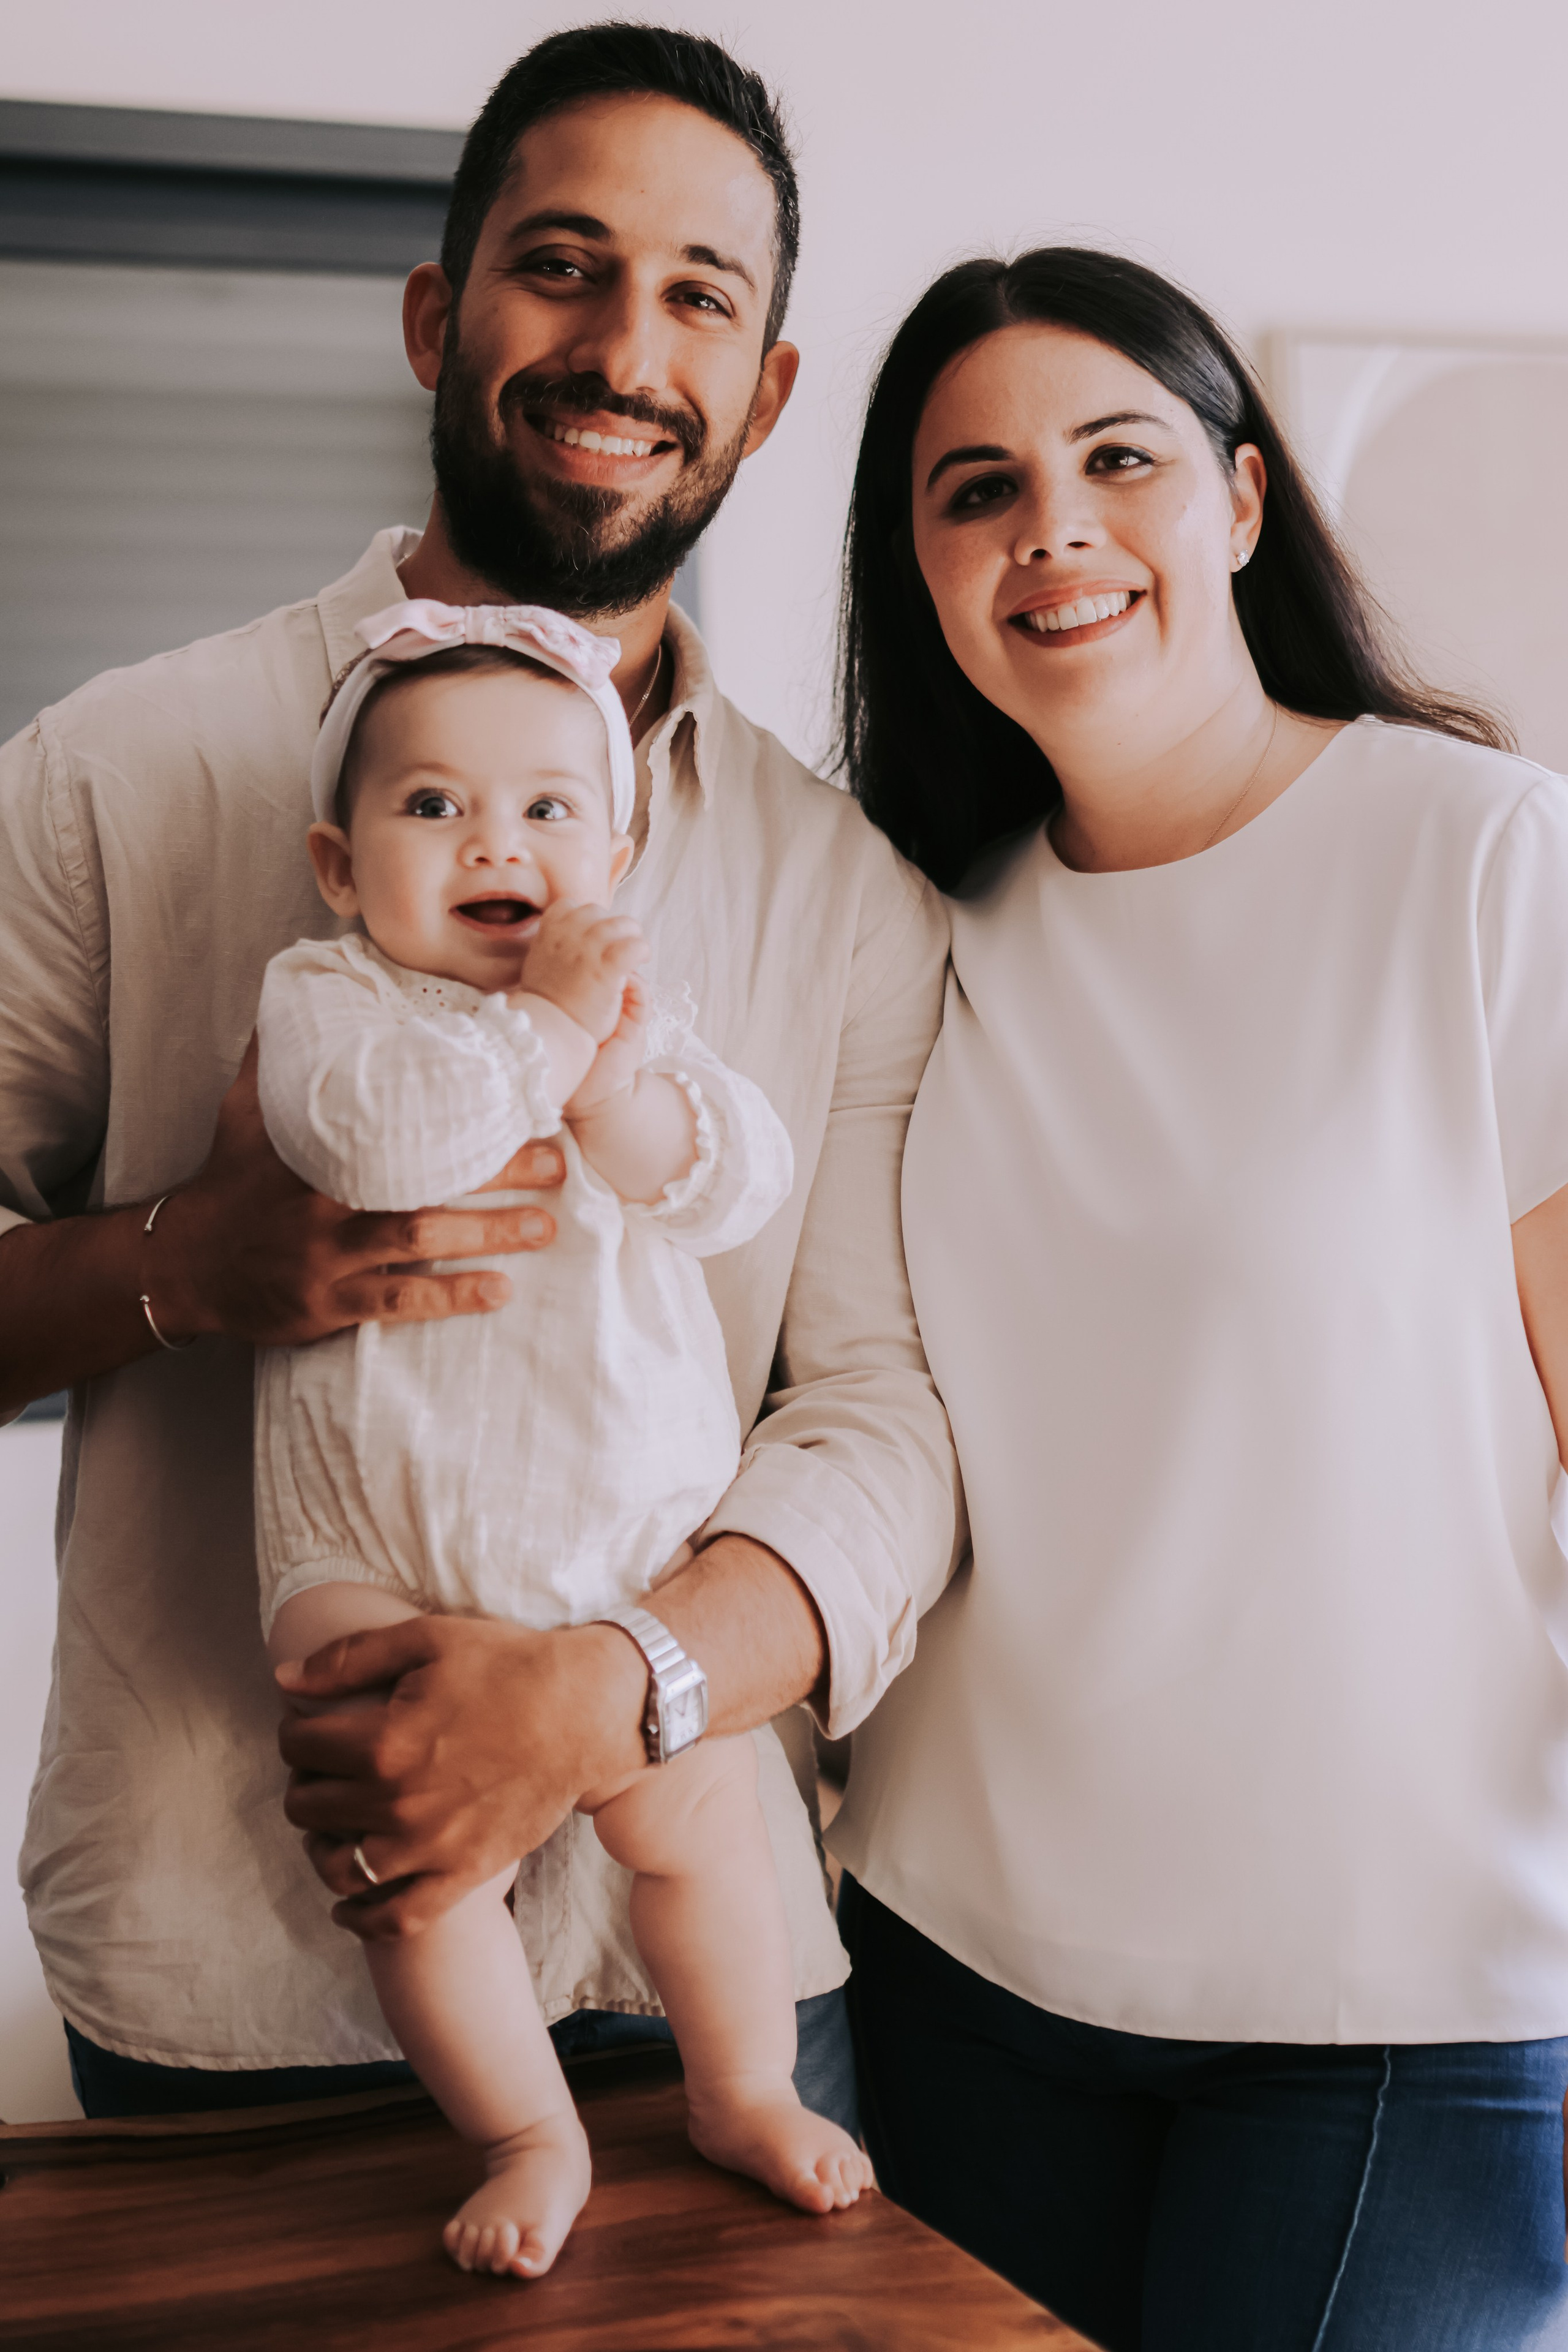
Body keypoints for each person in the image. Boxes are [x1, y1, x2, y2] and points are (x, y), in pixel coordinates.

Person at [0, 25, 957, 2127]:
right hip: (224, 1981)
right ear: (440, 310)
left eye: (701, 296)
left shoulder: (847, 890)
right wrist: (182, 1264)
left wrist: (621, 1696)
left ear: (766, 391)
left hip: (697, 1976)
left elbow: (888, 1421)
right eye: (564, 263)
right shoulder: (110, 774)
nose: (628, 345)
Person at [829, 246, 1568, 2351]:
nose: (1049, 526)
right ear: (925, 573)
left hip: (1399, 2001)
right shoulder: (920, 928)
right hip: (962, 1965)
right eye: (975, 490)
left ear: (1241, 503)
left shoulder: (1488, 862)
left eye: (1116, 457)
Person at [255, 601, 869, 2274]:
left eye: (544, 809)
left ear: (615, 851)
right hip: (370, 1543)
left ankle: (738, 2090)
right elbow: (380, 1148)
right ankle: (529, 2130)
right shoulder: (329, 1003)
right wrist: (540, 1042)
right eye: (431, 806)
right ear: (337, 860)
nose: (492, 843)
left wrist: (616, 1083)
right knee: (413, 1866)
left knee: (700, 1831)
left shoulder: (628, 1019)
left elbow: (731, 1181)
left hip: (622, 1550)